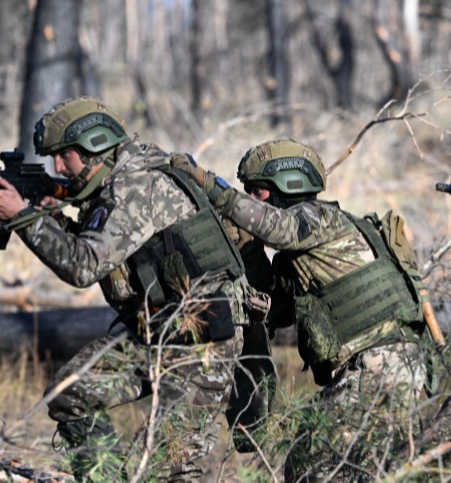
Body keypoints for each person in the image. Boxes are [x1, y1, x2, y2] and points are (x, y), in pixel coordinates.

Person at [0, 96, 263, 482]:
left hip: (203, 338)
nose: (58, 167)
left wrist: (25, 218)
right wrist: (51, 218)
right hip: (158, 328)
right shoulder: (117, 182)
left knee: (169, 467)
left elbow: (83, 266)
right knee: (71, 393)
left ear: (95, 146)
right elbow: (108, 251)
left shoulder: (135, 186)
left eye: (65, 156)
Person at [171, 139, 434, 479]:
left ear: (287, 186)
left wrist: (210, 186)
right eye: (247, 192)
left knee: (314, 466)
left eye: (258, 192)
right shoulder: (298, 256)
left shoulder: (317, 217)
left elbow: (277, 227)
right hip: (376, 371)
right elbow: (273, 312)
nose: (252, 200)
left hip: (382, 368)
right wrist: (248, 254)